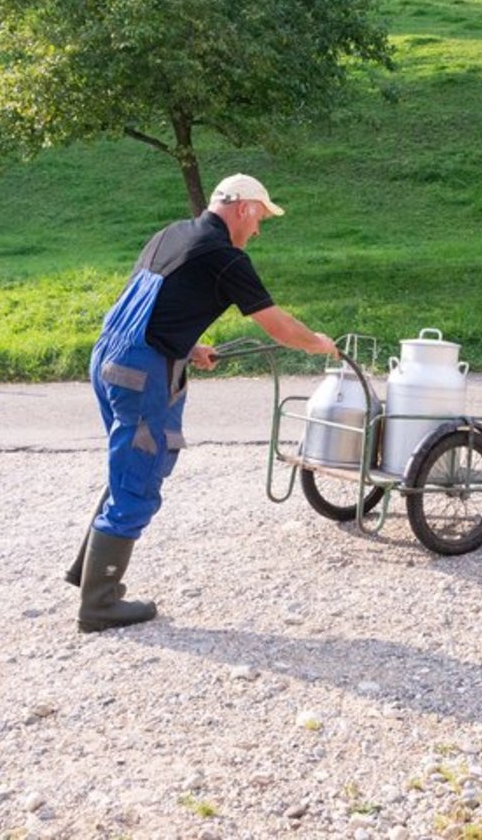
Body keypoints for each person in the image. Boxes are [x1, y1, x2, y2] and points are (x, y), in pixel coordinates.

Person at [66, 174, 338, 633]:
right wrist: (316, 344)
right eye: (261, 219)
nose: (258, 231)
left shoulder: (172, 234)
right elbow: (277, 325)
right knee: (141, 473)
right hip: (140, 370)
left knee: (126, 462)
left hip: (109, 354)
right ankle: (99, 604)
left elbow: (147, 304)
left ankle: (88, 573)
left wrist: (188, 347)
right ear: (245, 209)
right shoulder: (226, 258)